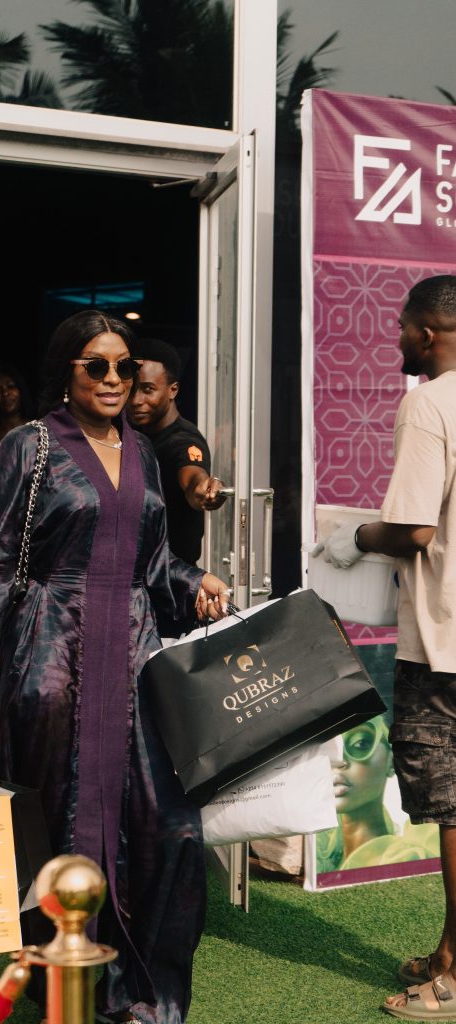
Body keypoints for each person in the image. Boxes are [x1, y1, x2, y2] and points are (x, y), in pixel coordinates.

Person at [0, 309, 231, 1024]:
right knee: (60, 824)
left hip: (133, 661)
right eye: (94, 365)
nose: (112, 379)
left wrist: (193, 581)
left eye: (123, 367)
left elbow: (153, 564)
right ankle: (69, 991)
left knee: (166, 824)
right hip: (52, 657)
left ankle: (142, 995)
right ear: (65, 371)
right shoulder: (29, 446)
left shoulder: (142, 452)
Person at [313, 275, 456, 1021]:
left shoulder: (429, 403)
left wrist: (355, 536)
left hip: (445, 644)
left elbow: (414, 530)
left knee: (452, 805)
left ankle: (453, 970)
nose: (396, 337)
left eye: (403, 327)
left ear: (427, 334)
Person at [126, 338, 226, 564]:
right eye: (131, 389)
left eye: (148, 389)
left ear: (173, 390)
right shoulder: (130, 433)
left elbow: (192, 477)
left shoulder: (184, 440)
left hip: (172, 577)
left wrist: (202, 490)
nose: (136, 400)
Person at [317, 717, 437, 873]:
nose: (338, 762)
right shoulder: (319, 854)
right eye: (326, 749)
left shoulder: (406, 859)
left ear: (392, 761)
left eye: (360, 744)